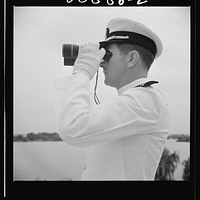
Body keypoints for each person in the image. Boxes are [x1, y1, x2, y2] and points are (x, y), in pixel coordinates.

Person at [54, 18, 170, 180]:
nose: (102, 64)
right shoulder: (134, 100)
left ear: (131, 59)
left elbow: (73, 127)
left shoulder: (146, 100)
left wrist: (82, 72)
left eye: (107, 56)